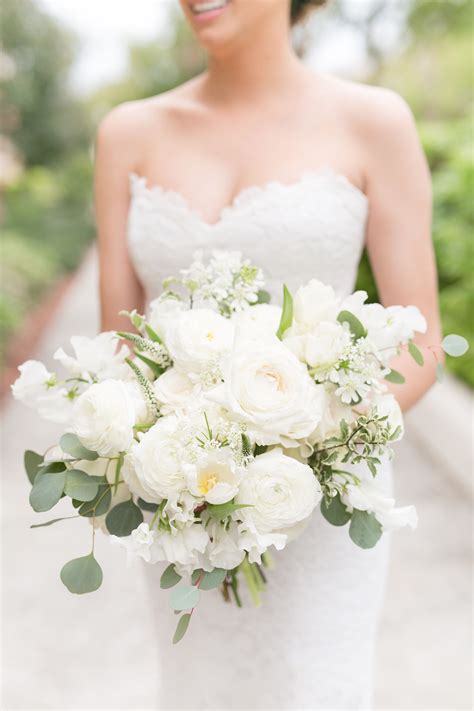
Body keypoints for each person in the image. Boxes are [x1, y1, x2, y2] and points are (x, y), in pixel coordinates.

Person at [94, 0, 441, 707]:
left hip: (325, 499)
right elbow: (119, 344)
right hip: (183, 500)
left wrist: (304, 445)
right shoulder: (127, 132)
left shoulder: (374, 121)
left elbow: (423, 340)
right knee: (200, 686)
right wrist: (170, 453)